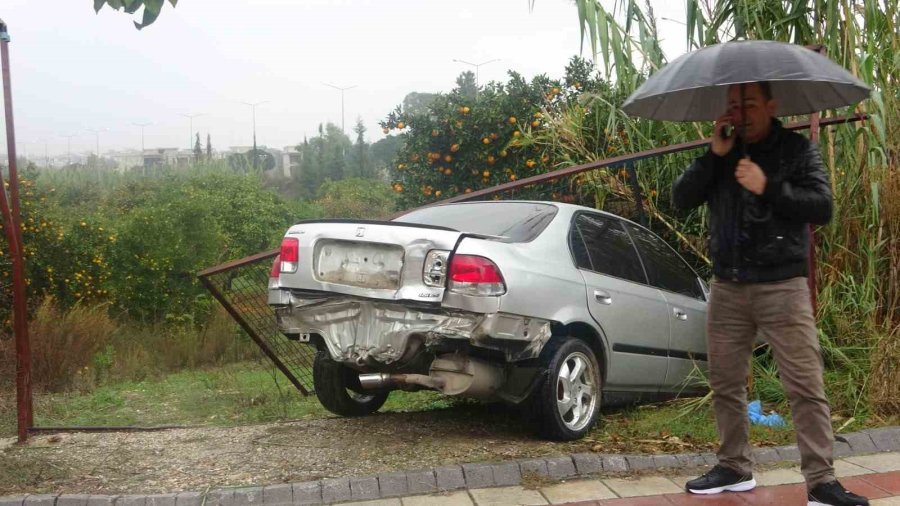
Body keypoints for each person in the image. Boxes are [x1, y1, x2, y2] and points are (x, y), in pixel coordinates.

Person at [672, 82, 869, 506]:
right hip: (728, 285)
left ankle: (821, 482)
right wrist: (713, 157)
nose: (741, 113)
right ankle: (733, 467)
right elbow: (680, 198)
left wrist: (768, 186)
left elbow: (822, 206)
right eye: (734, 106)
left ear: (770, 106)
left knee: (805, 385)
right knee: (725, 383)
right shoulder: (721, 154)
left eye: (749, 105)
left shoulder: (796, 150)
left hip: (782, 284)